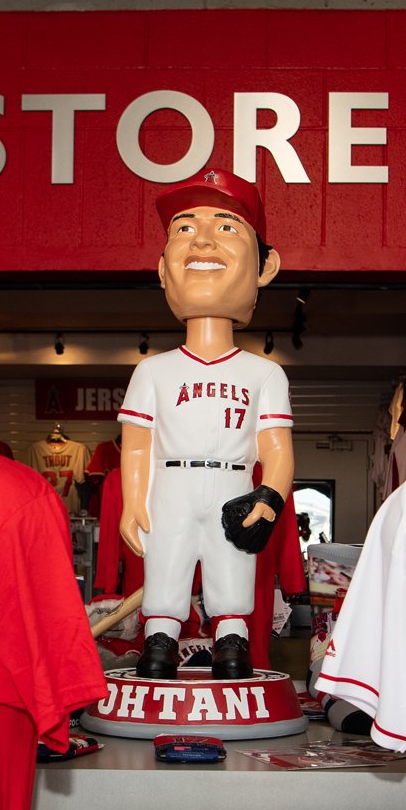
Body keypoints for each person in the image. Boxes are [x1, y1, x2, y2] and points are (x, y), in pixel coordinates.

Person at [118, 169, 294, 681]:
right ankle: (159, 645)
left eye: (226, 225)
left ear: (265, 267)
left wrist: (270, 496)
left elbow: (277, 449)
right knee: (166, 567)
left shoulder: (264, 372)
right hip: (169, 480)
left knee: (232, 567)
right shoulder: (153, 369)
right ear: (162, 267)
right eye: (184, 228)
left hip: (231, 478)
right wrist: (134, 500)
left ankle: (232, 646)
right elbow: (136, 444)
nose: (202, 239)